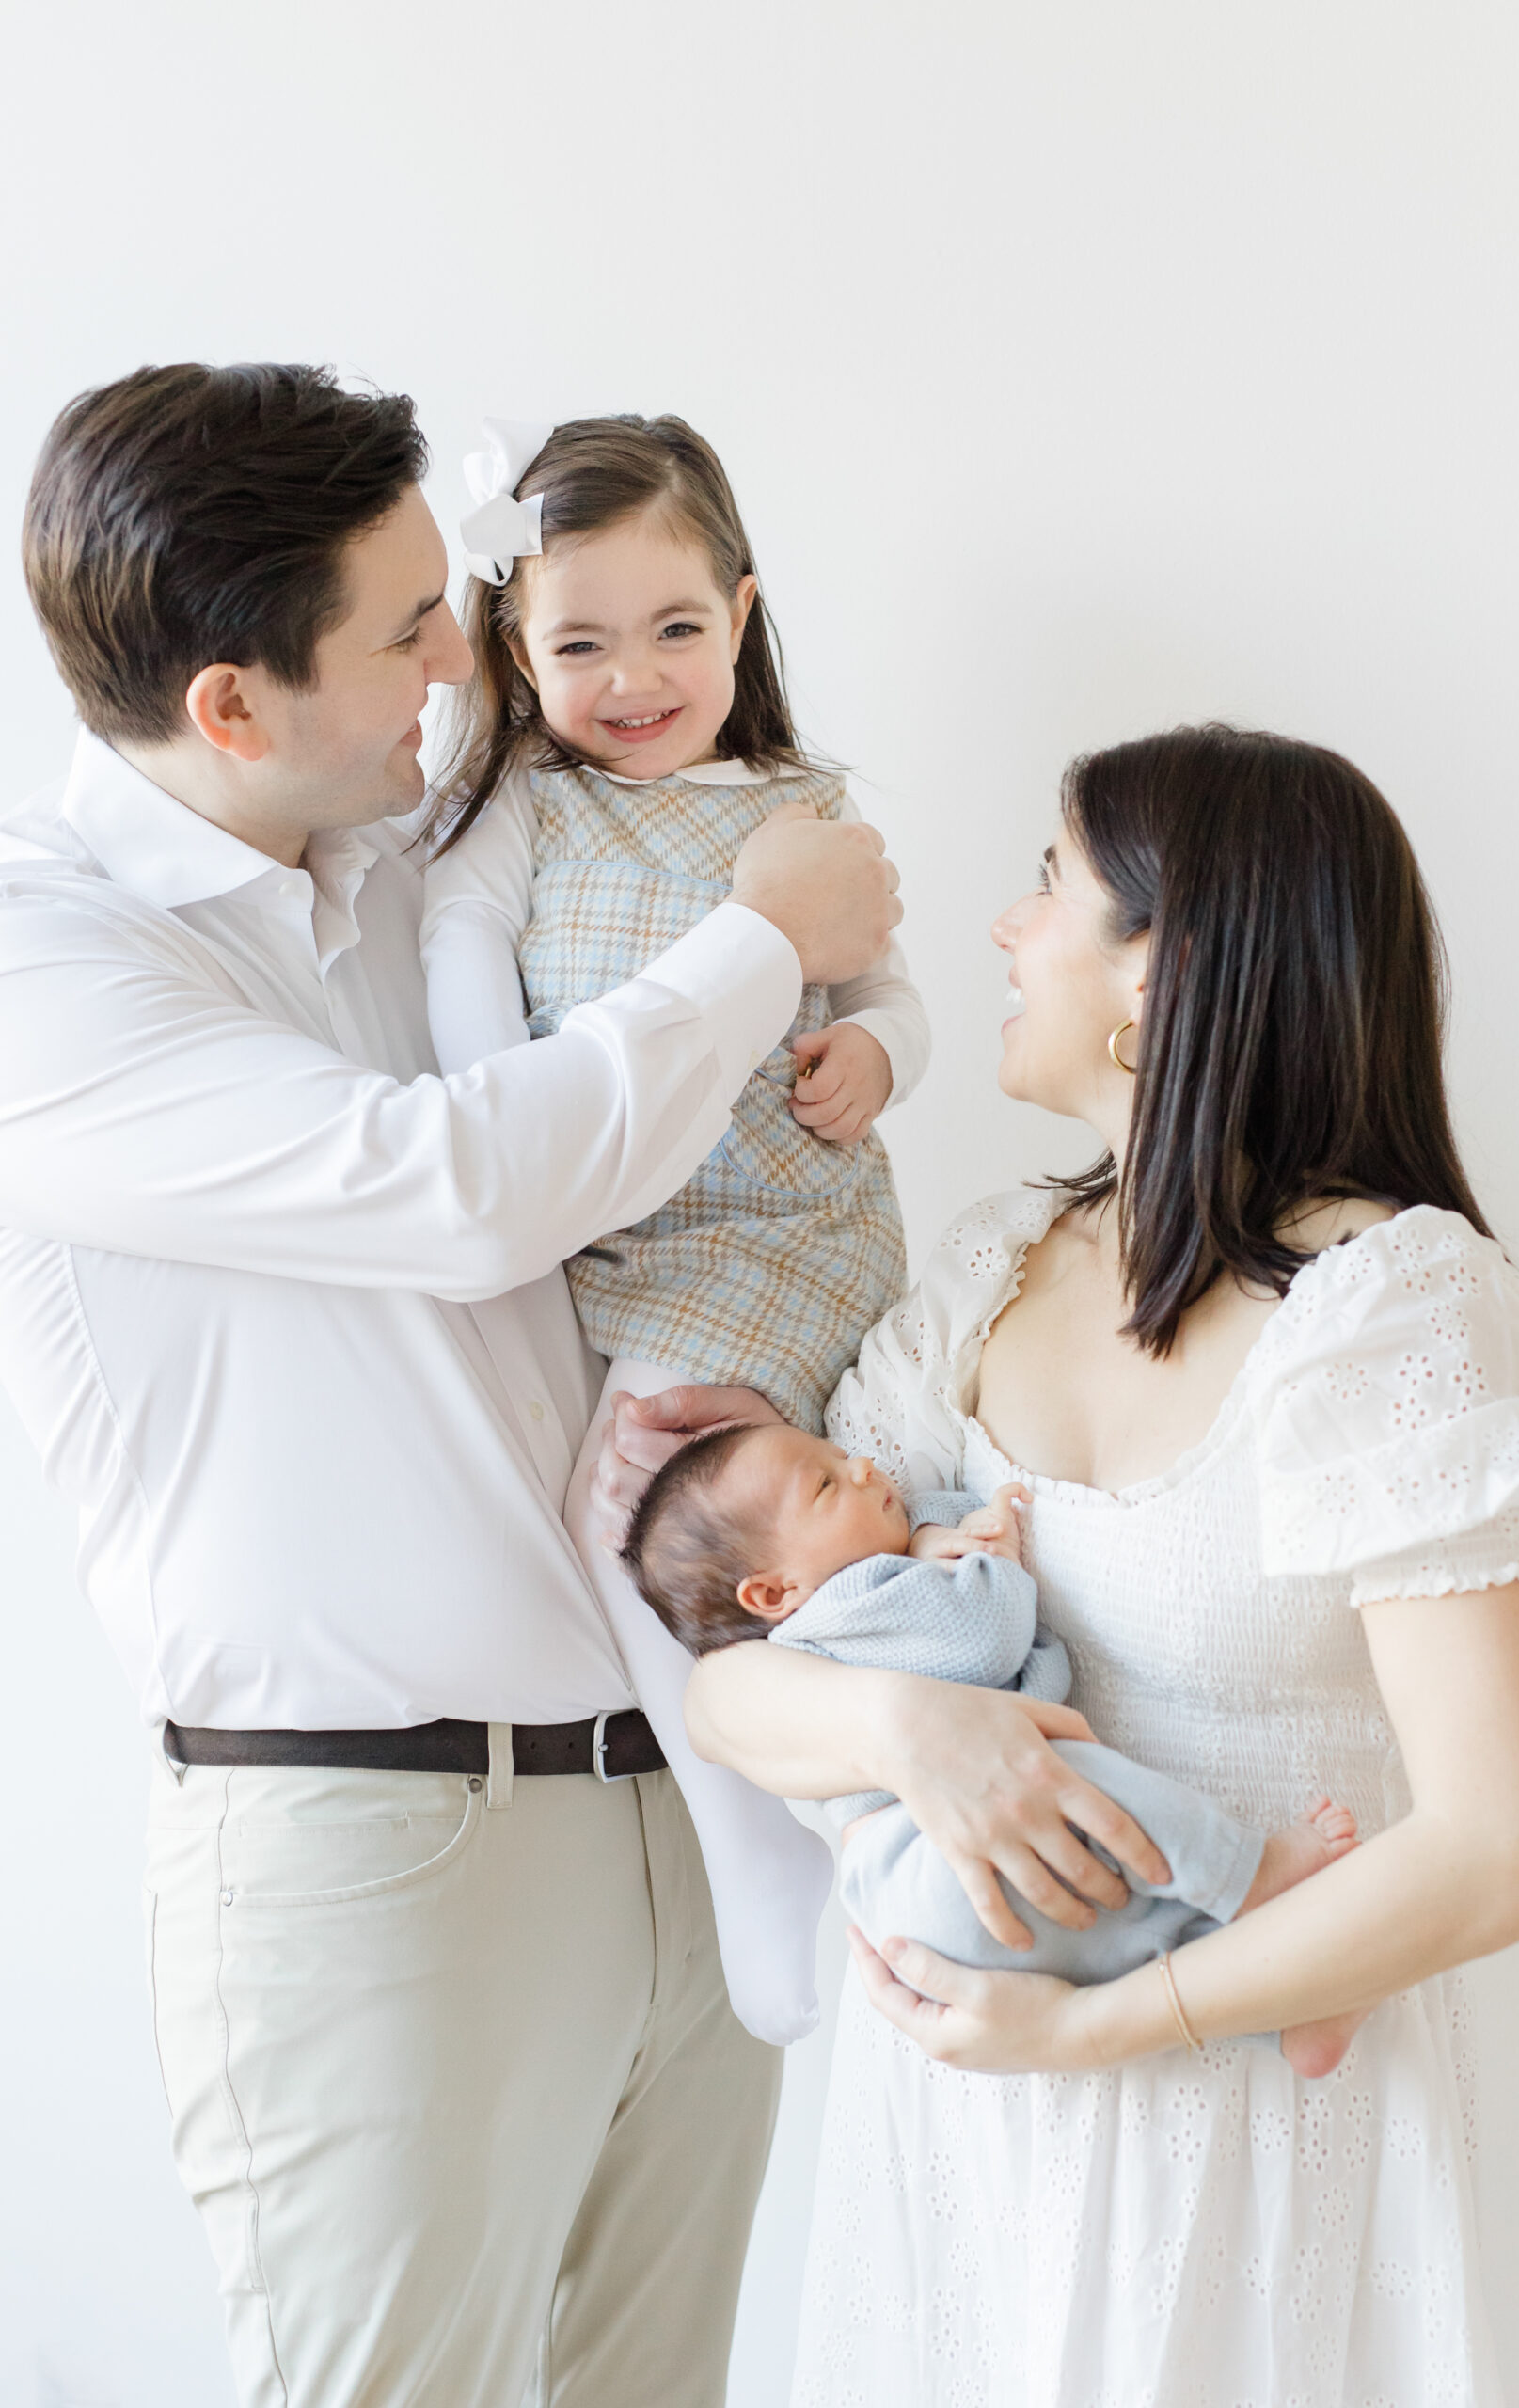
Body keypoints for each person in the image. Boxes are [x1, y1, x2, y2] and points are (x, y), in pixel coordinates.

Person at [0, 361, 902, 2408]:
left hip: (665, 1783)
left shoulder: (415, 853)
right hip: (373, 1842)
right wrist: (765, 942)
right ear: (232, 705)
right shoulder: (46, 965)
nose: (467, 657)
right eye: (416, 628)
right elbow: (468, 1187)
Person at [598, 725, 1519, 2404]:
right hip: (956, 2124)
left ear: (1169, 965)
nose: (999, 928)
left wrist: (1090, 2029)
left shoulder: (1397, 1310)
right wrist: (915, 1737)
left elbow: (1512, 1850)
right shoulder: (990, 1271)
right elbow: (738, 1692)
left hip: (1247, 2114)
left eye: (1047, 884)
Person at [418, 412, 929, 2043]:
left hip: (785, 1226)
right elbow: (457, 951)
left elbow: (892, 991)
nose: (633, 678)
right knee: (765, 1550)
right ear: (517, 642)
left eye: (677, 631)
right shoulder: (530, 810)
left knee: (639, 1499)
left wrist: (878, 1053)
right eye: (579, 642)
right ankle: (851, 1831)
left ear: (745, 615)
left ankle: (782, 1857)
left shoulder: (800, 804)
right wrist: (498, 1106)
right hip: (636, 1242)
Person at [620, 1419, 1362, 2073]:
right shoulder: (851, 1600)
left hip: (909, 1912)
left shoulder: (822, 1630)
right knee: (1069, 1776)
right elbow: (982, 1635)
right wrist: (995, 1555)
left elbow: (923, 1563)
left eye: (840, 1455)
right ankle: (1247, 1868)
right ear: (773, 1594)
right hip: (934, 1848)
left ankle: (1283, 2020)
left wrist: (927, 1536)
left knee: (1114, 1938)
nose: (863, 1469)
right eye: (825, 1484)